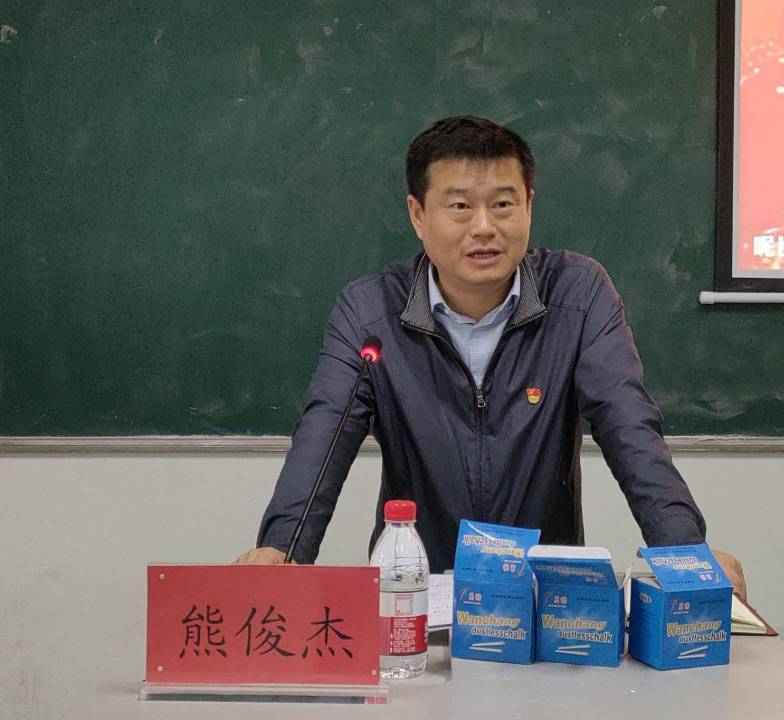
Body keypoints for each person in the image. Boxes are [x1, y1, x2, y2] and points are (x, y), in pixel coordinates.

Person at [235, 116, 747, 598]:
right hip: (418, 594)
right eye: (459, 206)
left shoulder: (578, 294)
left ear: (529, 205)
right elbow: (325, 434)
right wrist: (282, 549)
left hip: (544, 599)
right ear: (418, 215)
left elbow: (629, 425)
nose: (483, 227)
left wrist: (684, 551)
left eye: (503, 204)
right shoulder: (370, 312)